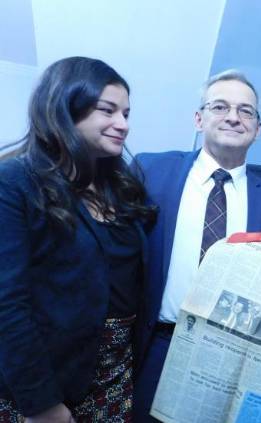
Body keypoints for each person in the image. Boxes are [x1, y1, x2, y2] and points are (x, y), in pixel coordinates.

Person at [133, 70, 261, 421]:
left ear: (259, 129)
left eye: (246, 111)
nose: (233, 117)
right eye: (220, 106)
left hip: (233, 358)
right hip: (156, 349)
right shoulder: (151, 171)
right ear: (199, 118)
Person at [0, 56, 156, 422]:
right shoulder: (15, 182)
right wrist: (43, 406)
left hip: (115, 379)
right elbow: (6, 305)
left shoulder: (121, 187)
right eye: (109, 111)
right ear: (66, 108)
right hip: (45, 385)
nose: (123, 125)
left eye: (127, 114)